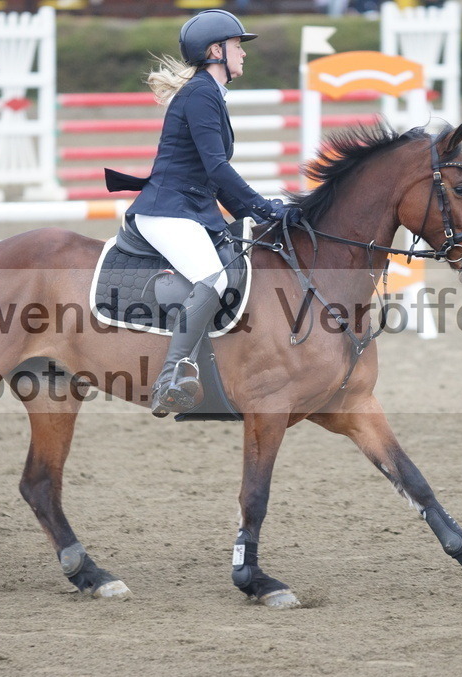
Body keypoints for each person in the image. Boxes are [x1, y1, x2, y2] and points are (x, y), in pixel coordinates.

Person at [109, 9, 301, 417]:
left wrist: (258, 218)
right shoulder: (200, 94)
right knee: (211, 279)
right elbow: (217, 168)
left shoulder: (209, 93)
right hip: (167, 211)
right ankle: (172, 375)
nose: (243, 54)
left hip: (192, 208)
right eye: (236, 46)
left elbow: (213, 178)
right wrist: (264, 207)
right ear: (216, 51)